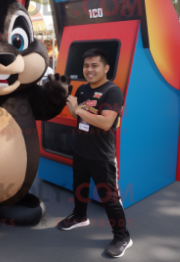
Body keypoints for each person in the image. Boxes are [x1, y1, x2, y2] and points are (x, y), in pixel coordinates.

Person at [58, 48, 132, 258]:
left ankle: (123, 236)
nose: (89, 70)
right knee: (79, 187)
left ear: (106, 68)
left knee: (109, 198)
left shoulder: (112, 91)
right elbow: (78, 117)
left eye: (94, 65)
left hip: (102, 155)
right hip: (81, 151)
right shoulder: (82, 89)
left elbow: (107, 122)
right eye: (86, 66)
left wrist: (79, 110)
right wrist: (71, 103)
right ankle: (80, 217)